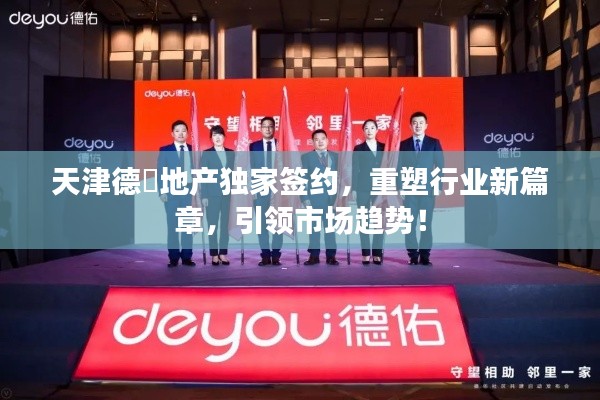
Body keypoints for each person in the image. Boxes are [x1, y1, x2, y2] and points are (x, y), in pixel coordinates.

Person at [398, 111, 444, 266]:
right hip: (409, 191)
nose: (418, 125)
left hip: (427, 191)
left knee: (426, 225)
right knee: (409, 225)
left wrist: (437, 186)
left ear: (426, 125)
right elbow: (399, 167)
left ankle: (425, 256)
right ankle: (412, 256)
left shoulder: (433, 143)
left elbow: (440, 166)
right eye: (415, 123)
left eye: (421, 123)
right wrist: (400, 187)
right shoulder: (404, 145)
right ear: (410, 126)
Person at [157, 120, 196, 268]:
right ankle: (173, 257)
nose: (181, 133)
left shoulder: (193, 150)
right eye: (177, 131)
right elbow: (161, 172)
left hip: (188, 193)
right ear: (172, 133)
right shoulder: (165, 150)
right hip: (171, 193)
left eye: (183, 131)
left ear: (187, 133)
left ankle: (186, 257)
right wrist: (162, 191)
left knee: (187, 226)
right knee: (173, 226)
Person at [301, 129, 339, 266]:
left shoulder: (336, 157)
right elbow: (302, 178)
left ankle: (331, 256)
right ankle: (314, 256)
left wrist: (341, 198)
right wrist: (304, 198)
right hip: (314, 199)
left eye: (323, 139)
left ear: (327, 140)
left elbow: (341, 178)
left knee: (330, 229)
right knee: (314, 229)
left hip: (331, 199)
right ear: (312, 142)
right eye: (316, 139)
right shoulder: (306, 157)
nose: (320, 142)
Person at [249, 116, 283, 266]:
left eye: (270, 126)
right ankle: (265, 255)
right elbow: (249, 168)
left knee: (278, 224)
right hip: (260, 189)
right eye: (265, 126)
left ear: (274, 128)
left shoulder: (281, 145)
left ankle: (275, 255)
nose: (268, 129)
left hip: (278, 190)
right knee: (261, 225)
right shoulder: (253, 146)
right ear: (260, 128)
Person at [200, 125, 235, 266]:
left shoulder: (231, 153)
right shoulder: (207, 154)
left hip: (228, 195)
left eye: (220, 135)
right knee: (212, 225)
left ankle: (223, 253)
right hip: (212, 196)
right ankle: (214, 254)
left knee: (225, 225)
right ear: (211, 138)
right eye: (214, 135)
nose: (218, 137)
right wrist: (204, 196)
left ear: (224, 137)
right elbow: (203, 176)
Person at [352, 119, 385, 265]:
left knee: (379, 220)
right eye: (366, 128)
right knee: (363, 220)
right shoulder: (358, 149)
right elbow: (355, 169)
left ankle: (377, 253)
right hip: (363, 187)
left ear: (377, 130)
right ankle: (365, 253)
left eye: (372, 128)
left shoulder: (384, 147)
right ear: (363, 131)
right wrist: (353, 188)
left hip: (380, 187)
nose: (369, 130)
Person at [0, 186, 19, 269]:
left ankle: (18, 272)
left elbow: (6, 216)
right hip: (3, 233)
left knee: (12, 257)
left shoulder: (7, 204)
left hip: (6, 234)